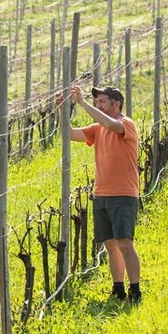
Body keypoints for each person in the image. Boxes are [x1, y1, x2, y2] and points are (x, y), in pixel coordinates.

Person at [60, 84, 142, 303]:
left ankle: (135, 290)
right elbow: (69, 134)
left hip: (123, 194)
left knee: (124, 242)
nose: (98, 104)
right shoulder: (98, 129)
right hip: (101, 194)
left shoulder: (125, 124)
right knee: (110, 245)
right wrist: (61, 110)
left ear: (117, 104)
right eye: (97, 101)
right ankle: (118, 288)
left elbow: (109, 123)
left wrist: (82, 103)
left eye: (102, 101)